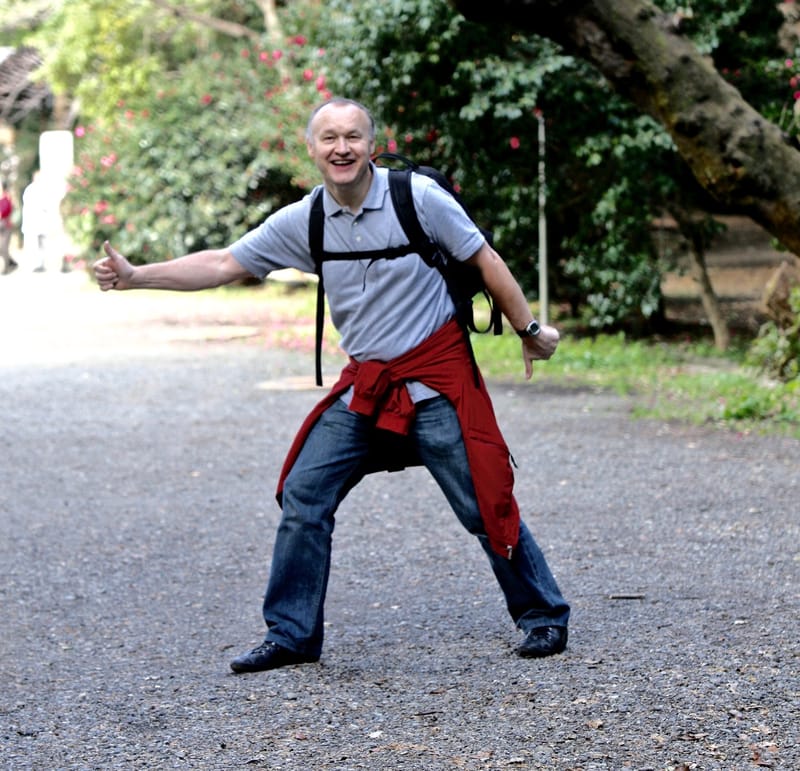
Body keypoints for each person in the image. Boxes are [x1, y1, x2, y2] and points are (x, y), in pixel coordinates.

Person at [94, 97, 571, 673]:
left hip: (434, 382)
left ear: (372, 144)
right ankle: (292, 635)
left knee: (482, 501)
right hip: (368, 386)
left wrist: (529, 328)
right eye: (328, 138)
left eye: (352, 136)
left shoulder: (417, 199)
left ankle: (542, 614)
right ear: (312, 149)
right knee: (304, 492)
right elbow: (224, 263)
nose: (340, 147)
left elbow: (484, 259)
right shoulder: (307, 219)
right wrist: (136, 276)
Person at [0, 181, 16, 274]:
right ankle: (12, 263)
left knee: (4, 247)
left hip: (6, 226)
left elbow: (5, 210)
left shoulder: (7, 197)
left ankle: (7, 268)